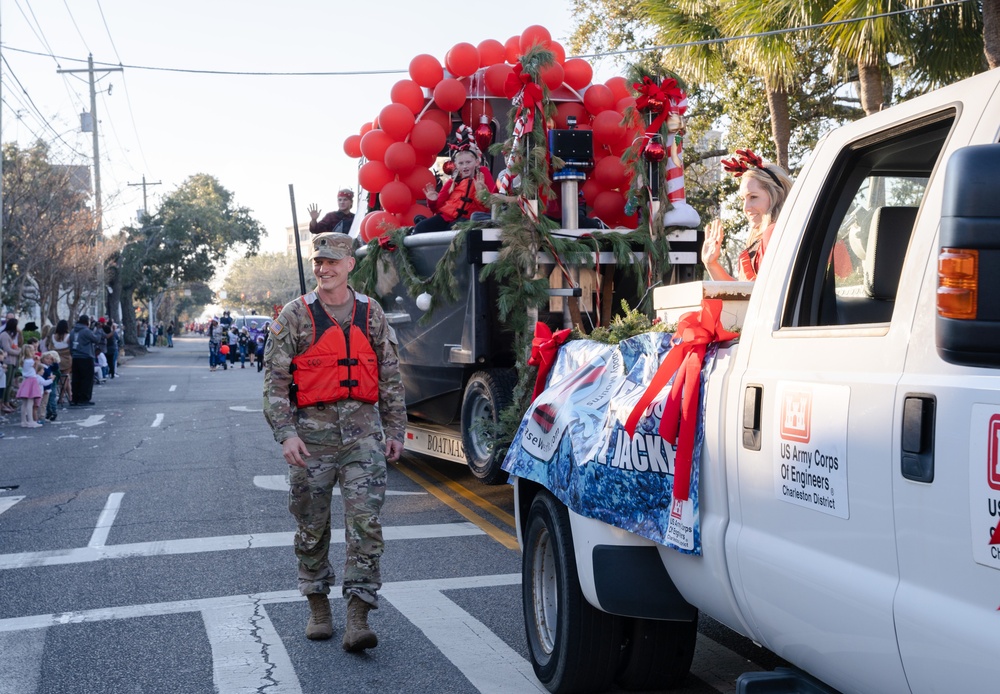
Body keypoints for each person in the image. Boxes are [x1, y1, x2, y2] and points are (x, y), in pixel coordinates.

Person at [263, 231, 405, 651]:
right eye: (318, 263)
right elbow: (274, 382)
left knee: (366, 523)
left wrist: (396, 429)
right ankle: (318, 605)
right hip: (311, 438)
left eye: (330, 262)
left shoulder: (371, 313)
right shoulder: (294, 315)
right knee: (311, 524)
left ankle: (358, 615)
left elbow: (390, 376)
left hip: (363, 435)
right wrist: (285, 433)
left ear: (349, 265)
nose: (323, 269)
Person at [701, 148, 793, 282]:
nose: (746, 208)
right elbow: (746, 294)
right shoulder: (767, 236)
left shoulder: (773, 233)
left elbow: (761, 297)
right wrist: (711, 264)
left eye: (753, 197)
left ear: (776, 196)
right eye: (743, 199)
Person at [413, 128, 497, 234]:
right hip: (447, 217)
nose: (465, 166)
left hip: (467, 221)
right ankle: (422, 221)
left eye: (468, 162)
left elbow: (493, 203)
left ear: (476, 162)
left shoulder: (482, 173)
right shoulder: (452, 182)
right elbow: (436, 208)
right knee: (421, 228)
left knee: (454, 229)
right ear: (456, 165)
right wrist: (432, 200)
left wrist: (483, 193)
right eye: (461, 163)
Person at [69, 314, 101, 406]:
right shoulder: (86, 331)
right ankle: (84, 398)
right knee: (87, 379)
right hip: (86, 357)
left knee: (76, 379)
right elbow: (96, 339)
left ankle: (75, 398)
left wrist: (72, 353)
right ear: (87, 322)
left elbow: (70, 344)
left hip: (75, 357)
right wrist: (98, 330)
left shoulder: (73, 331)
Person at [50, 320, 73, 405]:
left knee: (64, 379)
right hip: (67, 360)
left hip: (56, 360)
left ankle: (70, 395)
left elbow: (50, 348)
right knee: (65, 379)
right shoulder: (68, 337)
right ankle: (61, 397)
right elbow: (71, 348)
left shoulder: (53, 337)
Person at [1, 318, 20, 413]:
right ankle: (3, 403)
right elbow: (7, 349)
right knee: (6, 383)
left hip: (12, 362)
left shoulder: (10, 336)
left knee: (9, 384)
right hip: (7, 361)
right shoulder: (4, 335)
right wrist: (19, 352)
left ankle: (7, 401)